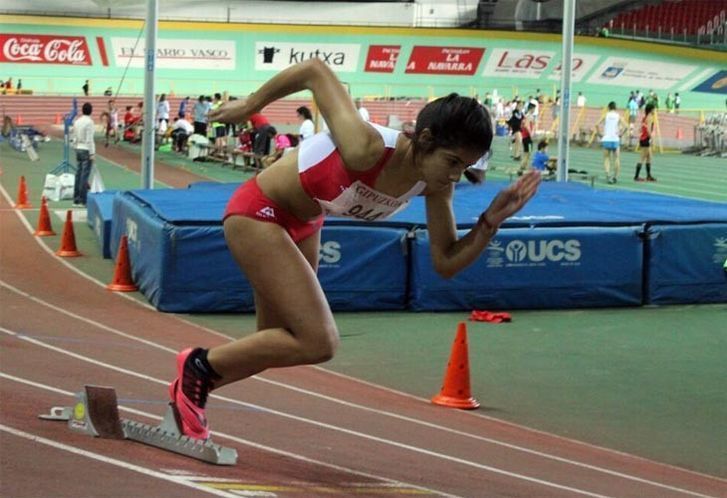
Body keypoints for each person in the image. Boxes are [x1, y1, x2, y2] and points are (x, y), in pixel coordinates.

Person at [166, 59, 541, 440]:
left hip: (305, 223)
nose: (455, 175)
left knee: (274, 341)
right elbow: (314, 71)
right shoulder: (366, 147)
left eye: (466, 166)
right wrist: (250, 107)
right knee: (319, 340)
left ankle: (193, 387)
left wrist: (489, 222)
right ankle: (198, 368)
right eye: (452, 162)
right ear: (425, 140)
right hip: (260, 212)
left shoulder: (434, 184)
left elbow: (445, 262)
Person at [596, 101, 627, 184]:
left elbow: (596, 124)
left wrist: (599, 134)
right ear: (615, 108)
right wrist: (621, 134)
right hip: (615, 139)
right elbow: (626, 126)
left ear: (608, 107)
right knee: (616, 158)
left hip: (606, 139)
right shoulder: (618, 116)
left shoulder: (605, 115)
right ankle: (615, 176)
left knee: (606, 158)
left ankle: (607, 175)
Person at [71, 102, 95, 207]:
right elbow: (89, 139)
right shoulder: (89, 122)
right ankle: (83, 199)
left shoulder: (77, 121)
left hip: (78, 148)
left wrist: (75, 146)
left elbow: (74, 135)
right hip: (86, 149)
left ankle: (76, 199)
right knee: (84, 176)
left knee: (78, 174)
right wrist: (92, 153)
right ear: (91, 111)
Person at [635, 103, 656, 182]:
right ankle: (636, 176)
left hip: (644, 138)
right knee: (642, 158)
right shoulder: (650, 117)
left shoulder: (645, 117)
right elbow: (648, 130)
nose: (655, 111)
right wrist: (652, 138)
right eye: (654, 109)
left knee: (649, 157)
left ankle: (648, 175)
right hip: (645, 139)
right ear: (651, 110)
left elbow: (641, 128)